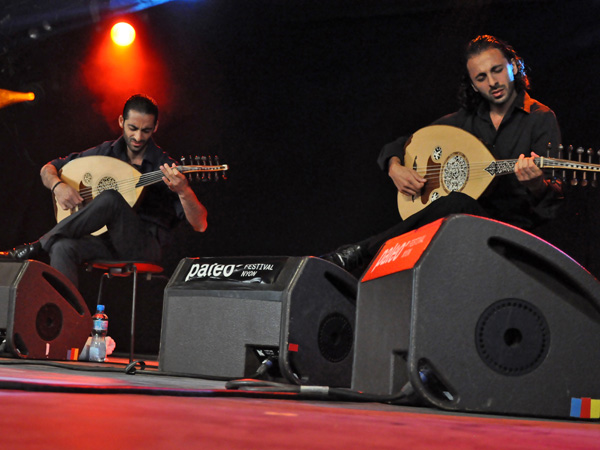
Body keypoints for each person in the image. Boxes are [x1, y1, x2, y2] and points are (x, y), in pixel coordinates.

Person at [322, 35, 563, 272]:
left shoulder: (540, 118)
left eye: (497, 70)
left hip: (509, 236)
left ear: (513, 65)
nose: (492, 82)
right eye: (481, 77)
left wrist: (537, 185)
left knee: (458, 201)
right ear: (473, 85)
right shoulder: (462, 122)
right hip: (458, 231)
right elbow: (401, 144)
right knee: (455, 204)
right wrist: (394, 166)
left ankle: (361, 252)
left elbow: (551, 204)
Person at [4, 94, 208, 287]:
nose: (138, 136)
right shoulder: (106, 153)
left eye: (145, 130)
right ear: (121, 121)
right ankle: (68, 317)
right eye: (132, 128)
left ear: (155, 127)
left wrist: (183, 191)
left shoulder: (164, 166)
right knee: (62, 247)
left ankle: (37, 246)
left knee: (110, 198)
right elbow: (48, 168)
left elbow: (200, 224)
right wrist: (59, 186)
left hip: (143, 247)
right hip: (104, 243)